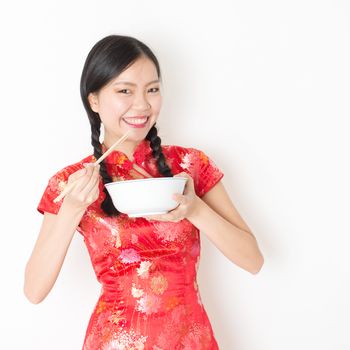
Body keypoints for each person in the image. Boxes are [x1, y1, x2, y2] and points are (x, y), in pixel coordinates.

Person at [23, 34, 264, 350]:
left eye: (152, 90)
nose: (142, 105)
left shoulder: (190, 165)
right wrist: (71, 210)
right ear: (94, 100)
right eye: (125, 91)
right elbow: (34, 291)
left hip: (191, 341)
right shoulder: (70, 182)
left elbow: (253, 260)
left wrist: (195, 210)